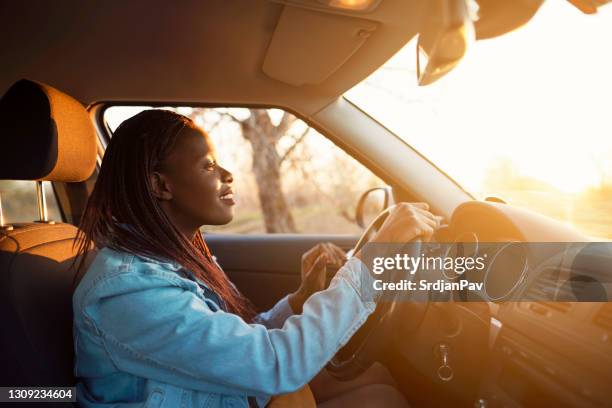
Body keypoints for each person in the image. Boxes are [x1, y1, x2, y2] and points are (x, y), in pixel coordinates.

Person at [72, 109, 440, 407]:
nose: (228, 174)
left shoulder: (175, 260)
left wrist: (299, 299)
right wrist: (373, 263)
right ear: (161, 186)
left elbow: (241, 339)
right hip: (235, 392)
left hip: (229, 391)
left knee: (375, 380)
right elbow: (273, 365)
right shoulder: (130, 292)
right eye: (208, 166)